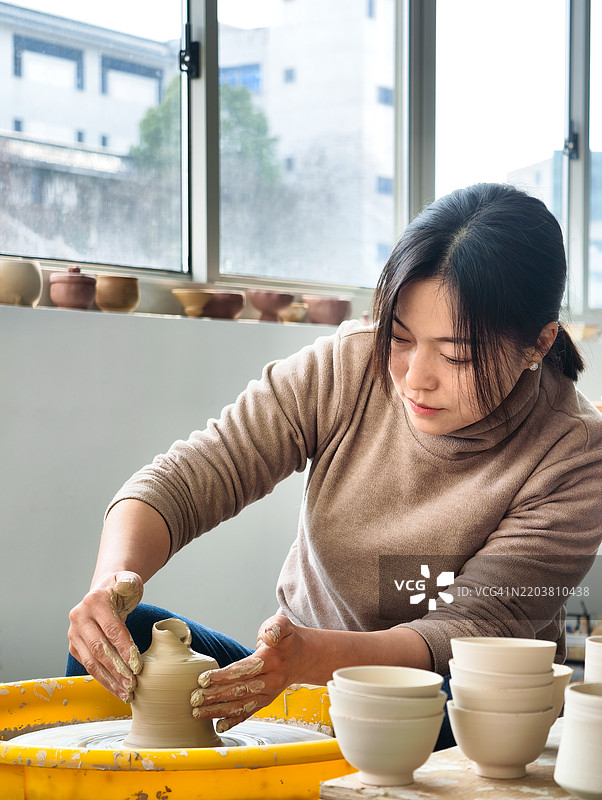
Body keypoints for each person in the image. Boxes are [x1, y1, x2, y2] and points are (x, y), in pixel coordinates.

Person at [68, 183, 602, 749]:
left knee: (460, 696)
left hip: (443, 702)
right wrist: (111, 585)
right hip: (297, 683)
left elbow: (470, 630)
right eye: (400, 337)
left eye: (456, 355)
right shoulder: (350, 365)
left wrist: (311, 658)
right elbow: (188, 478)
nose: (415, 377)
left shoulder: (573, 454)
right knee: (121, 636)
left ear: (537, 345)